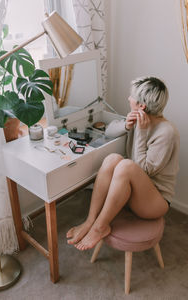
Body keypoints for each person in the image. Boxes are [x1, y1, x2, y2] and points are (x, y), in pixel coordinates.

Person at [66, 76, 180, 251]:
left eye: (131, 96)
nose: (128, 98)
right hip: (132, 192)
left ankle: (100, 226)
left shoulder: (167, 132)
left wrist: (141, 133)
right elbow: (109, 131)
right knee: (113, 159)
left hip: (155, 202)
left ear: (141, 105)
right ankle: (90, 221)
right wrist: (126, 125)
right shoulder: (137, 119)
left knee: (126, 165)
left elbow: (143, 170)